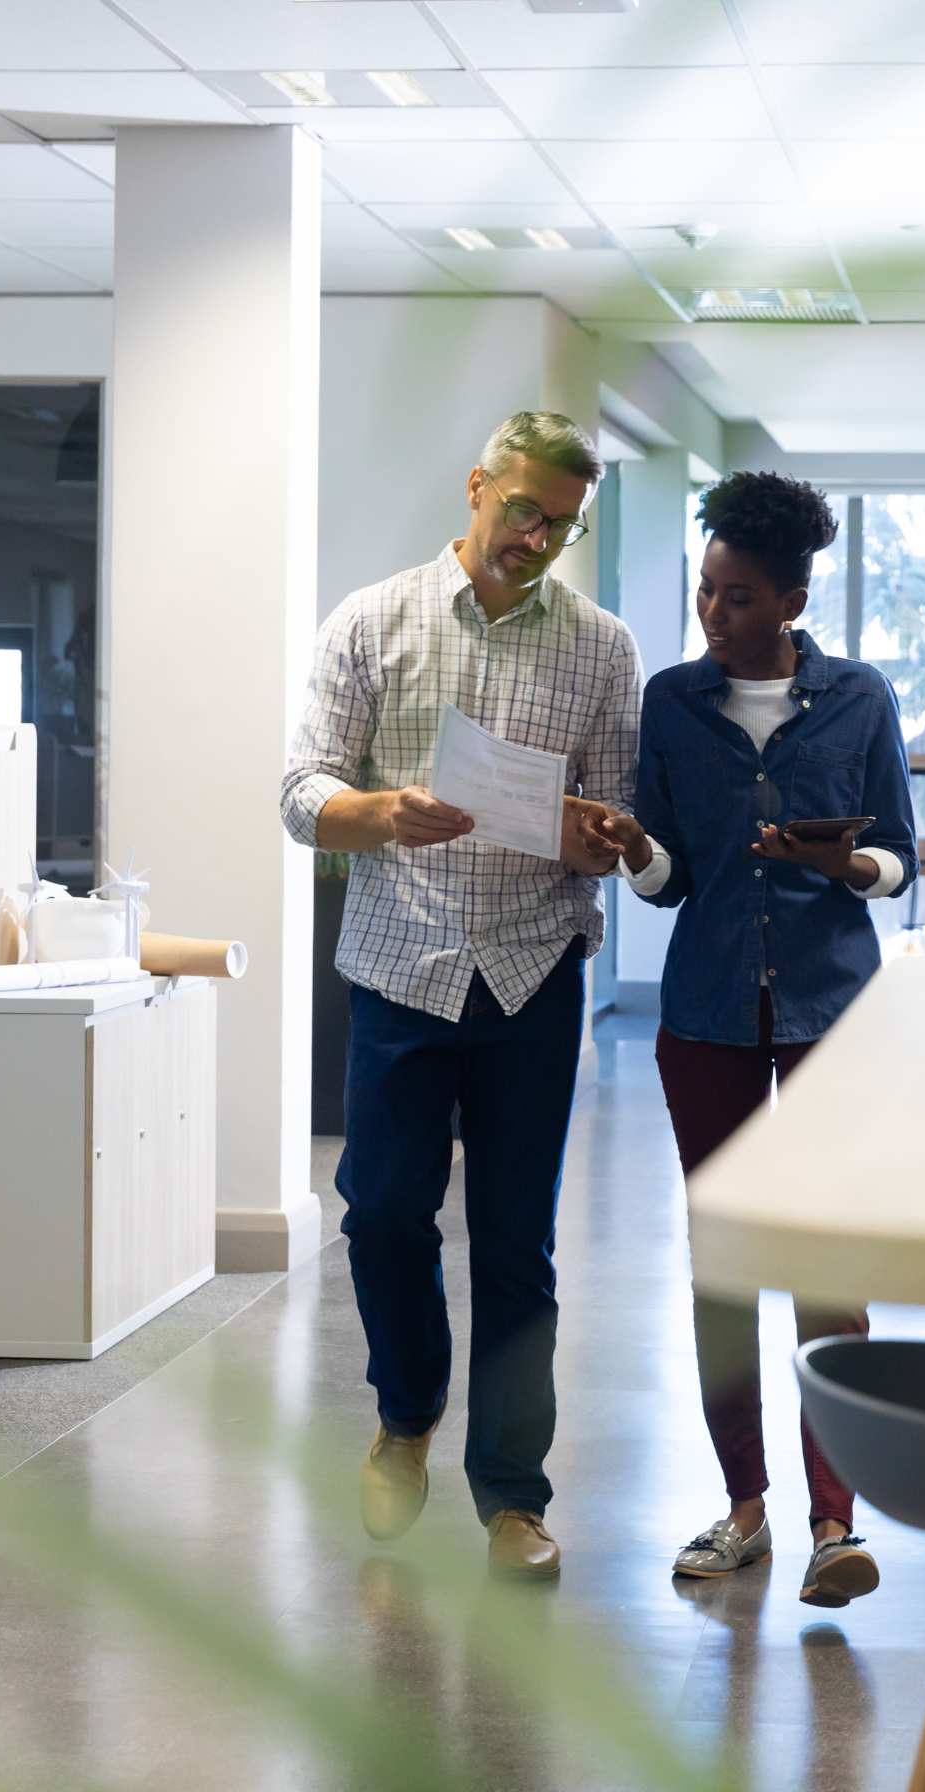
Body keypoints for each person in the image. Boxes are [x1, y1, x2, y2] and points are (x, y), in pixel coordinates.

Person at [281, 411, 641, 1582]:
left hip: (534, 971)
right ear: (478, 484)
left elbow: (613, 814)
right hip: (400, 961)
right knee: (382, 1214)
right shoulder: (371, 620)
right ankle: (406, 1411)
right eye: (522, 511)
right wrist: (380, 812)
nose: (536, 539)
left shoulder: (603, 649)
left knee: (517, 1245)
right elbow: (299, 793)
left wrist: (602, 841)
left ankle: (513, 1499)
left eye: (561, 526)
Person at [577, 470, 918, 1609]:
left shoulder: (861, 700)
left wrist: (843, 865)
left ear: (790, 598)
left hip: (832, 1013)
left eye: (735, 596)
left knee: (825, 1267)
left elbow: (899, 862)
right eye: (707, 592)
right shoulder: (672, 705)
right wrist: (636, 849)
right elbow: (672, 881)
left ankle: (837, 1524)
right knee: (724, 1264)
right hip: (708, 1016)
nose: (713, 615)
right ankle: (744, 1510)